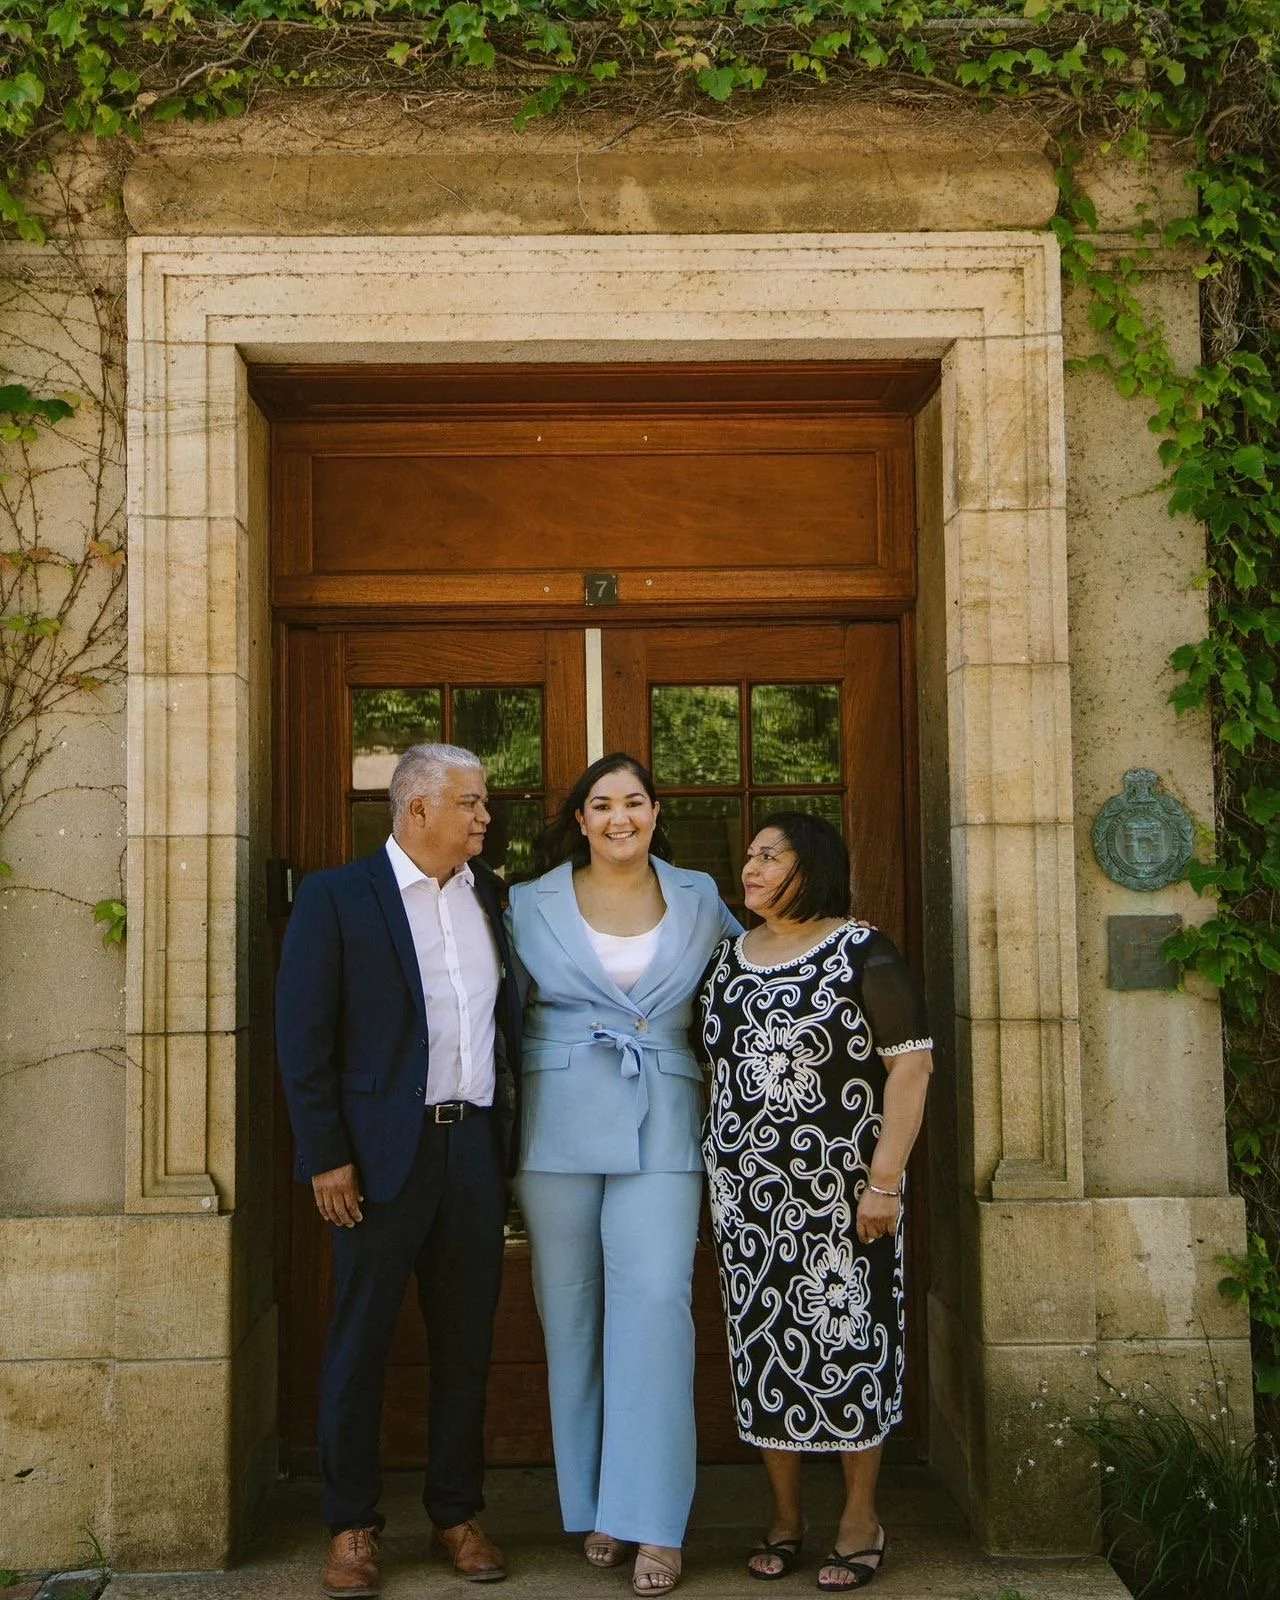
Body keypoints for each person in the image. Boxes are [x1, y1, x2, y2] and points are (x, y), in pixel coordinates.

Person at [276, 743, 522, 1597]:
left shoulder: (490, 896)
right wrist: (326, 1156)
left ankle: (457, 1514)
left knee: (466, 1342)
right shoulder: (336, 898)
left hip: (472, 1152)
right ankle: (351, 1528)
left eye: (483, 802)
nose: (486, 816)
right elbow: (302, 1042)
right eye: (472, 802)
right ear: (417, 808)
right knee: (361, 1342)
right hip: (376, 1160)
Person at [506, 752, 741, 1597]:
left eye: (633, 802)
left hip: (665, 1122)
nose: (618, 817)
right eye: (601, 804)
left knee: (652, 1308)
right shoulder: (523, 902)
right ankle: (600, 1503)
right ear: (578, 818)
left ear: (653, 812)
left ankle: (656, 1520)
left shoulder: (702, 896)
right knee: (570, 1317)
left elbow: (746, 995)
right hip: (556, 1124)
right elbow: (494, 1009)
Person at [698, 812, 933, 1594]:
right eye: (751, 856)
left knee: (849, 1343)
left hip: (845, 1200)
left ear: (815, 863)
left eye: (771, 855)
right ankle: (785, 1516)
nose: (752, 868)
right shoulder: (728, 957)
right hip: (749, 1206)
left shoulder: (862, 950)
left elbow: (911, 1069)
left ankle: (860, 1517)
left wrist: (885, 1179)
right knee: (765, 1348)